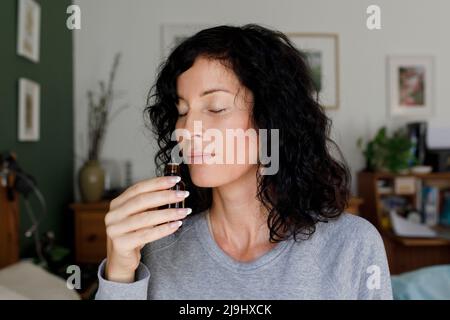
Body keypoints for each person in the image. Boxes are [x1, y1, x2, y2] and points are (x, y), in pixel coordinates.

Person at [95, 24, 393, 300]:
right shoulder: (157, 247)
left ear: (270, 121)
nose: (184, 130)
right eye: (182, 110)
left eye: (215, 107)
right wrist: (120, 274)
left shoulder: (352, 245)